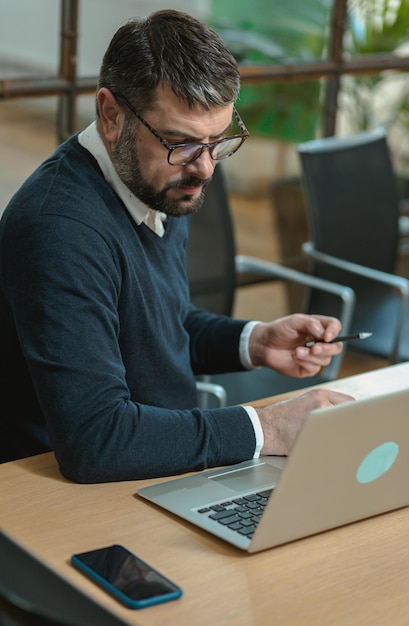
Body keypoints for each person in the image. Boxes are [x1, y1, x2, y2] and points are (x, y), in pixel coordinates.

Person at [0, 9, 354, 482]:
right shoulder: (59, 231)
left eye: (218, 141)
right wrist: (267, 428)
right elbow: (94, 440)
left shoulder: (157, 182)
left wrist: (254, 341)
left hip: (165, 465)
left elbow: (155, 325)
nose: (205, 168)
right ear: (111, 115)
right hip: (73, 497)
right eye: (181, 142)